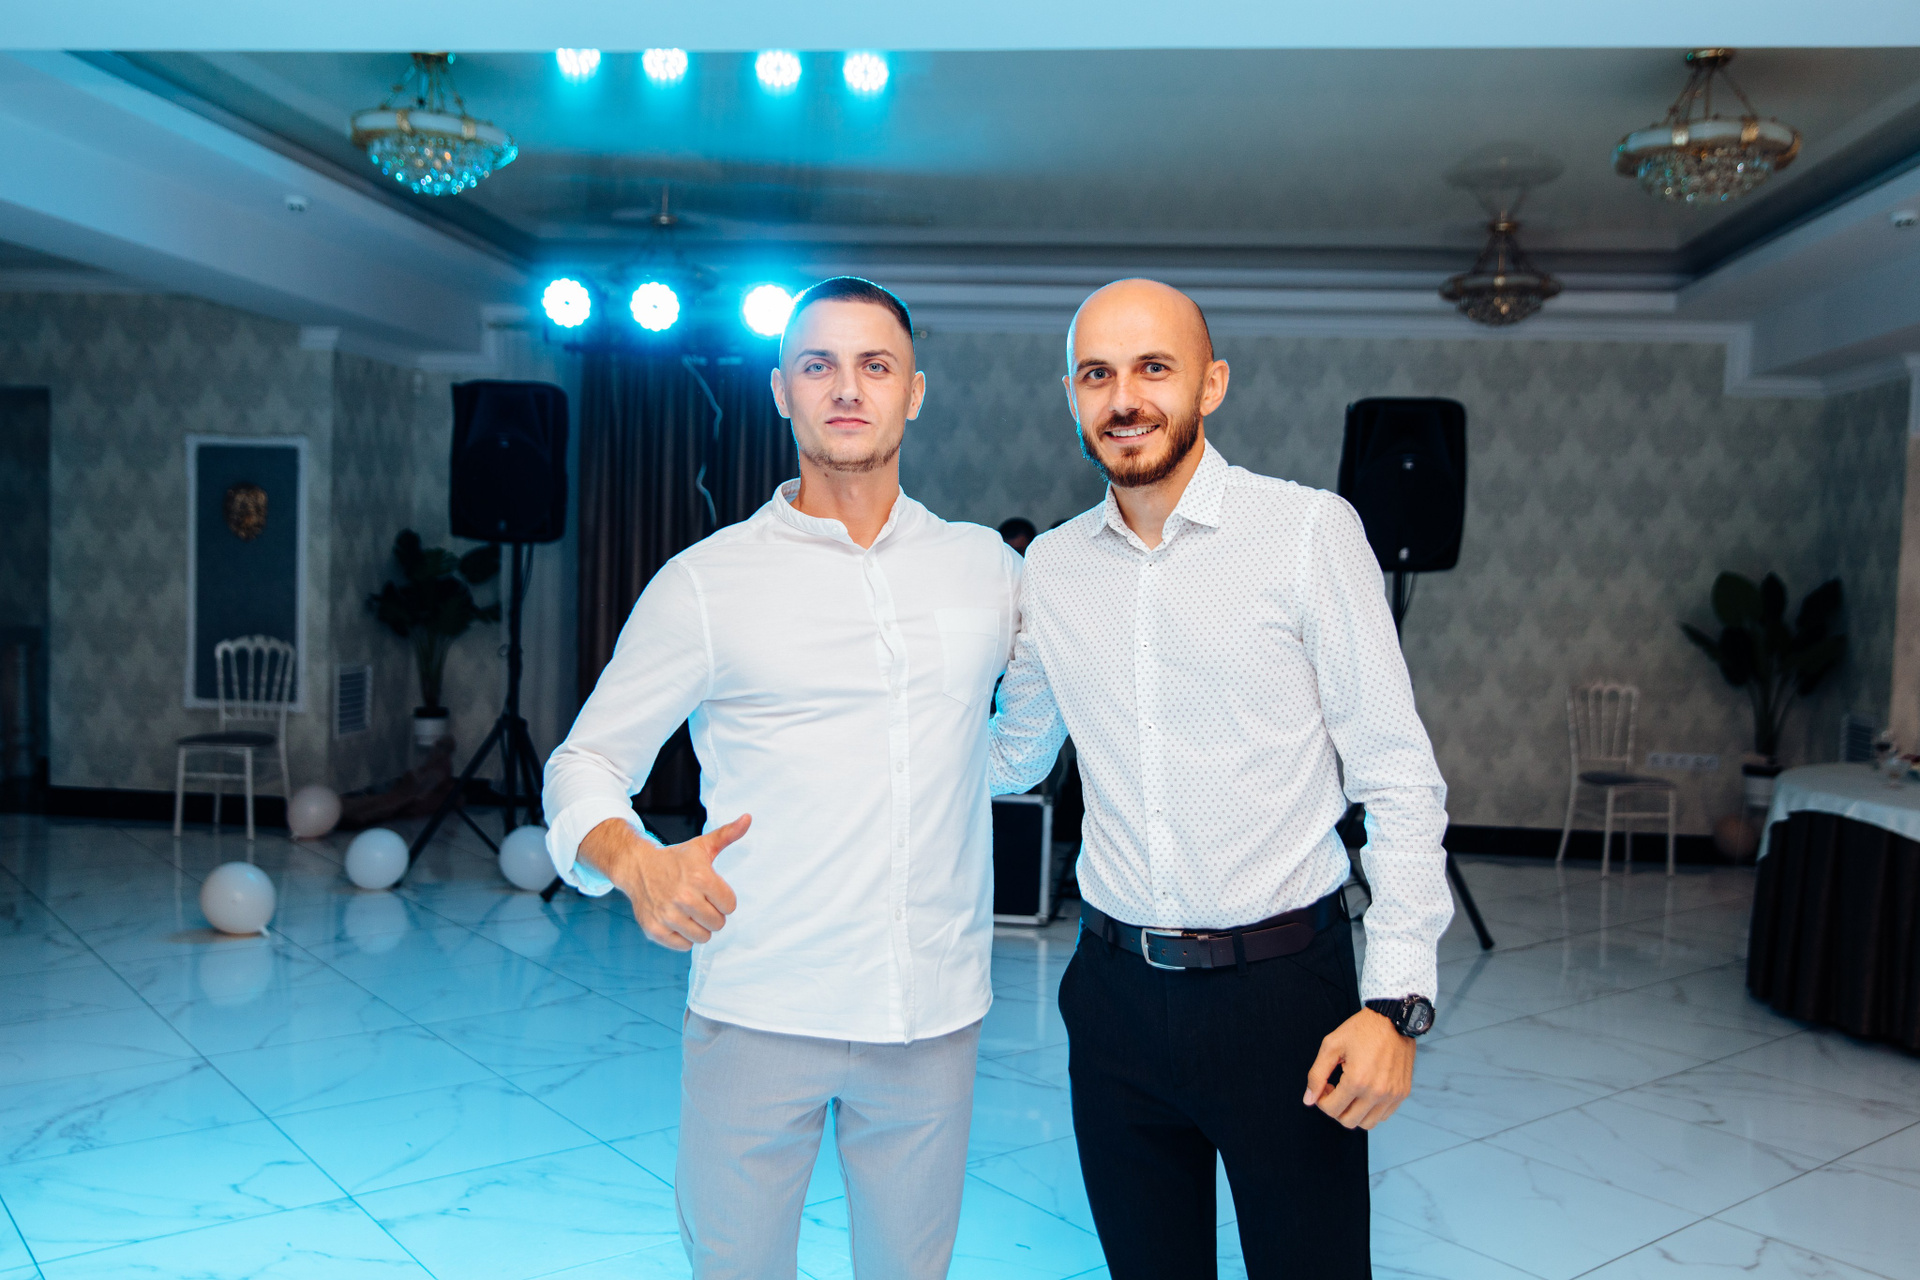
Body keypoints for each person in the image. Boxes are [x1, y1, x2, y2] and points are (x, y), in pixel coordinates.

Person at [543, 276, 1020, 1280]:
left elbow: (1036, 720)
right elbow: (584, 762)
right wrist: (635, 860)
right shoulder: (707, 582)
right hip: (759, 1003)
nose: (847, 387)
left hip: (931, 1012)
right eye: (818, 365)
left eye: (875, 365)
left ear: (914, 392)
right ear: (780, 390)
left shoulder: (985, 567)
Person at [987, 279, 1451, 1279]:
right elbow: (1011, 755)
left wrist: (1395, 1002)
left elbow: (1398, 776)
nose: (1124, 398)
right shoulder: (1052, 569)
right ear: (1071, 395)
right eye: (1097, 374)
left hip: (1286, 997)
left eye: (1154, 368)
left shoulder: (1308, 533)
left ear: (1212, 383)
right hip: (1111, 996)